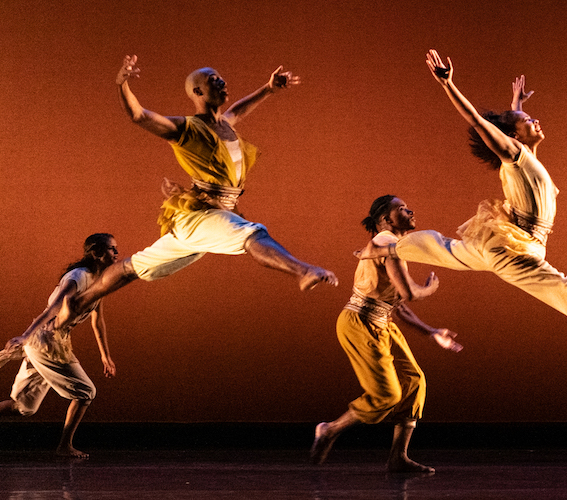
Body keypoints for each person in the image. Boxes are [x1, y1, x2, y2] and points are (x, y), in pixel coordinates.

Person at [360, 50, 567, 348]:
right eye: (527, 121)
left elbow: (518, 139)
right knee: (554, 284)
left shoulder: (527, 159)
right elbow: (477, 121)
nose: (535, 120)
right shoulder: (514, 155)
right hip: (512, 247)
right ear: (512, 137)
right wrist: (448, 85)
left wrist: (517, 107)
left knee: (451, 250)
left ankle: (386, 246)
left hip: (515, 241)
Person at [58, 55, 337, 324]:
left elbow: (237, 110)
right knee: (253, 233)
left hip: (204, 218)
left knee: (134, 267)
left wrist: (268, 89)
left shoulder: (225, 124)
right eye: (214, 79)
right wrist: (123, 84)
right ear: (197, 90)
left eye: (222, 78)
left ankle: (79, 304)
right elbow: (139, 115)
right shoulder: (186, 128)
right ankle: (304, 271)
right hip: (199, 217)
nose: (223, 82)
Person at [311, 195, 462, 473]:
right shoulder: (384, 241)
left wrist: (430, 332)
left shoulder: (394, 247)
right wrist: (429, 288)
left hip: (382, 323)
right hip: (360, 323)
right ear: (386, 220)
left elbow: (397, 305)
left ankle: (397, 458)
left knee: (414, 382)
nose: (411, 210)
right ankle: (329, 430)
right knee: (387, 395)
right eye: (402, 209)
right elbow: (408, 293)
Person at [0, 234, 119, 458]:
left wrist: (105, 356)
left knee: (24, 408)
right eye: (112, 249)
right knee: (86, 392)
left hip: (55, 342)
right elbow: (52, 309)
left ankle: (64, 445)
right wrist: (26, 336)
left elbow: (98, 321)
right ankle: (64, 446)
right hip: (45, 342)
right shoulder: (78, 277)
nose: (117, 253)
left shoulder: (98, 279)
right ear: (96, 253)